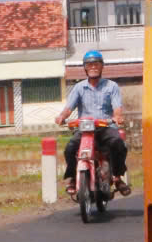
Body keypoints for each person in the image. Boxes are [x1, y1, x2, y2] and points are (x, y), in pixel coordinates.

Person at [54, 50, 131, 196]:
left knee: (118, 143)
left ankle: (117, 177)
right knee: (70, 148)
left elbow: (117, 108)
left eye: (96, 64)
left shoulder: (111, 86)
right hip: (84, 129)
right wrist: (61, 117)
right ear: (85, 68)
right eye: (89, 64)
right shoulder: (79, 87)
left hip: (105, 126)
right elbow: (69, 108)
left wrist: (118, 117)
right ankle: (72, 179)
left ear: (102, 67)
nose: (93, 67)